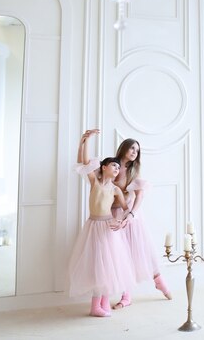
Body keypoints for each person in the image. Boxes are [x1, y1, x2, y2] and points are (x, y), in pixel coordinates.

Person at [67, 129, 136, 317]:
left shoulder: (115, 190)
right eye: (112, 166)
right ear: (103, 168)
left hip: (107, 227)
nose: (116, 169)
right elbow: (84, 162)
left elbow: (126, 209)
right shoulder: (95, 182)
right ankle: (95, 306)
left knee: (107, 265)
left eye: (117, 167)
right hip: (93, 226)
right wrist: (85, 140)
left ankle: (104, 302)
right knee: (97, 264)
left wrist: (124, 221)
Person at [111, 138, 171, 309]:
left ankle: (159, 280)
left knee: (140, 250)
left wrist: (131, 214)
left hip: (129, 214)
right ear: (123, 148)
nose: (134, 152)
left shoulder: (133, 171)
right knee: (121, 255)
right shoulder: (112, 165)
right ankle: (126, 295)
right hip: (112, 214)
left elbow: (140, 195)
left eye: (137, 150)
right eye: (131, 148)